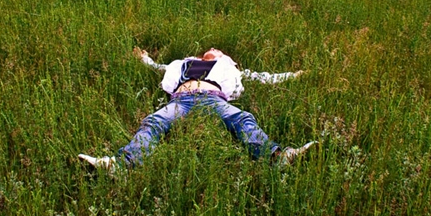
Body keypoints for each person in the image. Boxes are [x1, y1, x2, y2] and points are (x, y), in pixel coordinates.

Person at [78, 47, 314, 172]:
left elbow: (265, 78)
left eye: (219, 50)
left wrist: (294, 75)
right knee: (154, 122)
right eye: (211, 49)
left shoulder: (225, 68)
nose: (213, 49)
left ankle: (277, 158)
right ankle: (121, 166)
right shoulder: (185, 64)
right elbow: (159, 68)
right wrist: (144, 59)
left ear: (226, 58)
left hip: (213, 99)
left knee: (242, 119)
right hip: (182, 100)